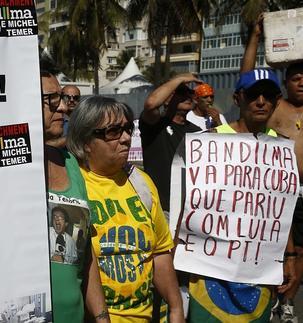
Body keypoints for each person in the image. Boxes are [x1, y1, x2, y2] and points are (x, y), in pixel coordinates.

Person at [184, 68, 296, 322]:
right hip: (211, 266)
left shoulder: (280, 147)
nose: (260, 101)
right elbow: (189, 201)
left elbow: (280, 209)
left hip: (258, 266)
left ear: (277, 101)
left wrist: (289, 257)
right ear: (238, 99)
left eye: (268, 95)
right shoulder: (211, 142)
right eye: (253, 94)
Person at [67, 96, 184, 322]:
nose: (127, 138)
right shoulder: (72, 186)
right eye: (114, 131)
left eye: (128, 129)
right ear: (86, 142)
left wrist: (176, 308)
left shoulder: (142, 183)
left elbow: (159, 252)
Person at [242, 15, 303, 322]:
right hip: (278, 190)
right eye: (296, 78)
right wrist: (255, 36)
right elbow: (248, 76)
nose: (302, 82)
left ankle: (289, 300)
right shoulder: (275, 106)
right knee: (277, 244)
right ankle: (277, 297)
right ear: (286, 85)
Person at [41, 70, 110, 322]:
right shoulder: (7, 174)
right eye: (51, 99)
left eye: (62, 98)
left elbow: (85, 254)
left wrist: (102, 316)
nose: (62, 108)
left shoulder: (71, 163)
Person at [139, 74, 202, 215]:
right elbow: (150, 104)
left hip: (189, 212)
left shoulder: (197, 132)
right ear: (166, 99)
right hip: (161, 210)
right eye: (180, 92)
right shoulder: (155, 125)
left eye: (190, 92)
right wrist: (179, 79)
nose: (187, 96)